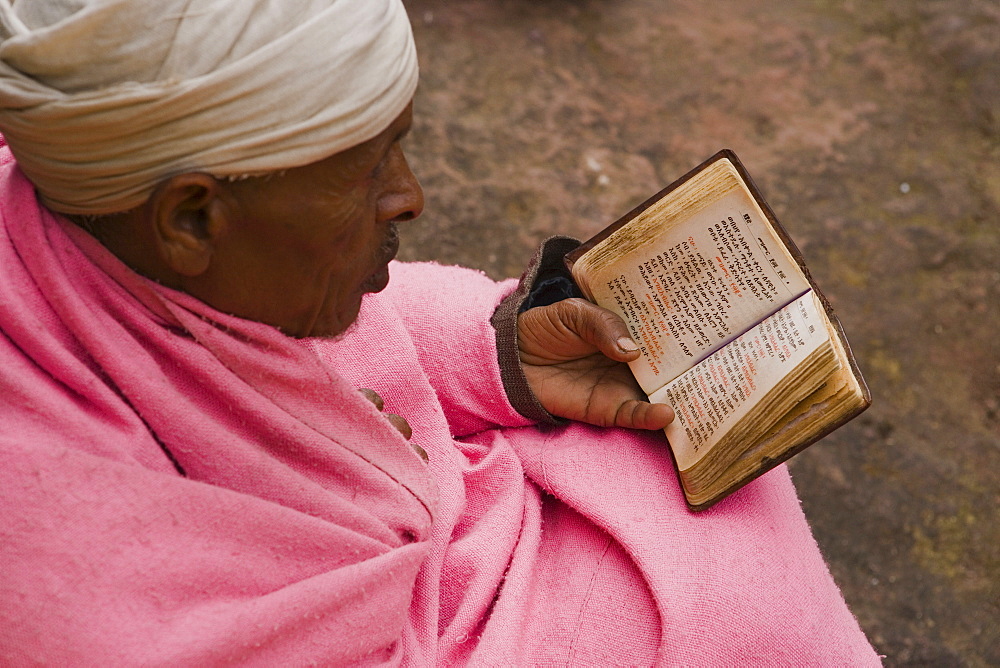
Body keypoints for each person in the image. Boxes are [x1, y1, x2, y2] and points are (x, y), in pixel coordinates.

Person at [0, 0, 880, 664]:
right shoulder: (78, 589)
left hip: (436, 542)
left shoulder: (96, 225)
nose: (411, 197)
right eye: (367, 167)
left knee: (691, 450)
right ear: (191, 220)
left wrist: (501, 355)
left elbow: (274, 336)